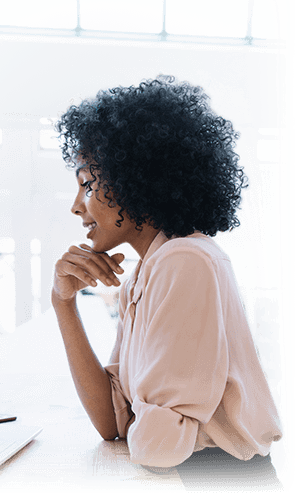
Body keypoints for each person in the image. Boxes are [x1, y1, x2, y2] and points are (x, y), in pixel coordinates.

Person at [51, 75, 285, 492]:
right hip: (197, 477)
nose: (76, 206)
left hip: (222, 482)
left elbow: (158, 449)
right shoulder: (147, 272)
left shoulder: (185, 261)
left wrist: (143, 418)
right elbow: (112, 420)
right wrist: (62, 302)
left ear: (135, 177)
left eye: (87, 184)